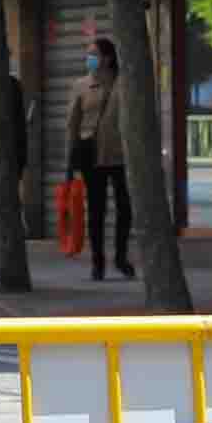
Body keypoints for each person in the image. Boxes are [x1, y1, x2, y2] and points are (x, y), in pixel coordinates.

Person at [63, 38, 133, 282]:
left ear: (108, 58)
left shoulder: (124, 84)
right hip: (91, 156)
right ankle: (98, 261)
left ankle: (121, 258)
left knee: (125, 208)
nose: (89, 59)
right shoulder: (81, 86)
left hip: (120, 156)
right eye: (88, 54)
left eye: (94, 54)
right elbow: (72, 123)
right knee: (96, 210)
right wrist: (70, 156)